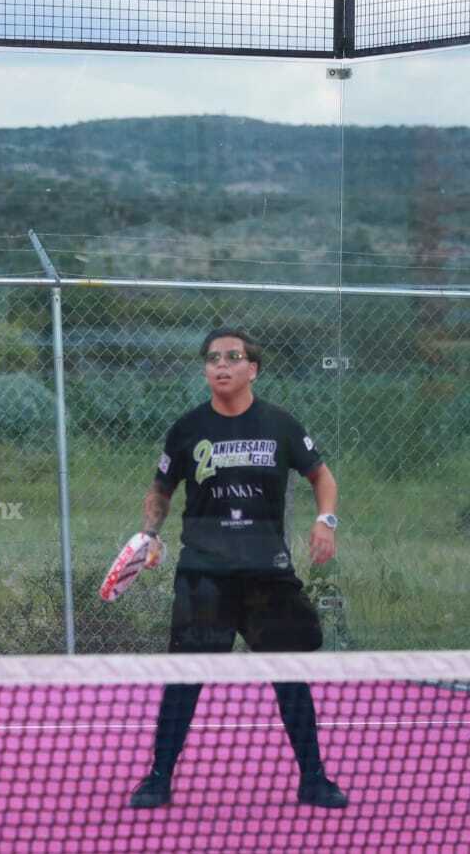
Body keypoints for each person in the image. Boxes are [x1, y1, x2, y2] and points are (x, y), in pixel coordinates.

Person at [128, 328, 348, 810]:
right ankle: (158, 778)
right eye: (212, 359)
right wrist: (150, 534)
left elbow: (322, 476)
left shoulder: (280, 424)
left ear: (253, 369)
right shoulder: (187, 428)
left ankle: (314, 779)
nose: (221, 365)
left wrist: (325, 521)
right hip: (203, 573)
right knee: (185, 677)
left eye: (233, 357)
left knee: (289, 674)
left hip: (267, 573)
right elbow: (161, 489)